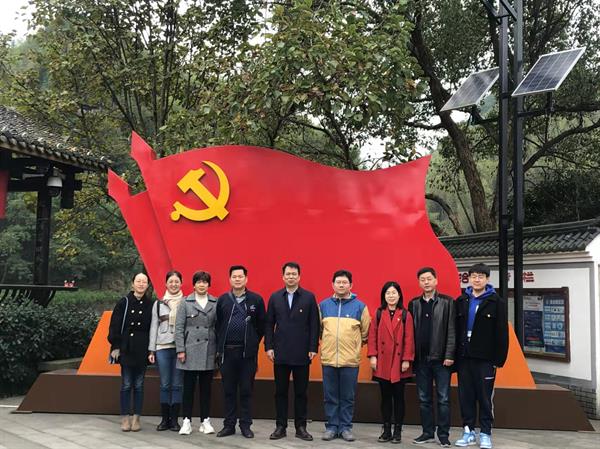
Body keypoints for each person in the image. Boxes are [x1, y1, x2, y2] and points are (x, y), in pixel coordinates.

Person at [454, 263, 508, 449]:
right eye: (474, 276)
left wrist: (499, 359)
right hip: (464, 357)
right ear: (468, 278)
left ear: (487, 279)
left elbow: (502, 332)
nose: (477, 280)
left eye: (481, 276)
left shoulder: (496, 302)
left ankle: (485, 433)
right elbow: (456, 330)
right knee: (466, 396)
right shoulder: (461, 300)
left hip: (485, 358)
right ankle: (468, 431)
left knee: (485, 397)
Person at [265, 262, 320, 441]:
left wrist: (313, 347)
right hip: (280, 352)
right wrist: (269, 346)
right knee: (280, 392)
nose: (291, 277)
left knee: (301, 392)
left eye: (294, 274)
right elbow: (269, 324)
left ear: (299, 276)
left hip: (302, 353)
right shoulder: (275, 297)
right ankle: (280, 426)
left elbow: (314, 324)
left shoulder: (309, 297)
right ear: (283, 277)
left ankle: (301, 427)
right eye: (288, 274)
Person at [319, 269, 370, 442]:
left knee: (348, 397)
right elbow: (320, 330)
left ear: (351, 285)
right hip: (328, 359)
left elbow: (365, 332)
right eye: (338, 282)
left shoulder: (360, 307)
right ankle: (331, 427)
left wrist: (354, 347)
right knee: (330, 396)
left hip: (350, 361)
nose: (341, 285)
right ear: (332, 284)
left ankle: (346, 427)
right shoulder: (324, 305)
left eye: (344, 282)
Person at [215, 265, 266, 438]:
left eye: (240, 276)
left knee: (246, 390)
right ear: (230, 279)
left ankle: (245, 425)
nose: (237, 279)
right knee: (228, 390)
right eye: (234, 277)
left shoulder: (256, 300)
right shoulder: (223, 300)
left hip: (247, 354)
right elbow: (218, 325)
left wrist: (252, 341)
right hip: (227, 352)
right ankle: (229, 425)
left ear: (246, 279)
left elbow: (261, 325)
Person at [408, 267, 456, 448]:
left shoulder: (447, 302)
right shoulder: (414, 304)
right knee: (424, 399)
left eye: (429, 279)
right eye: (422, 279)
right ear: (419, 283)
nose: (426, 282)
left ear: (436, 281)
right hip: (421, 360)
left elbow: (452, 330)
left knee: (443, 399)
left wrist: (449, 354)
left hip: (442, 360)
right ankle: (427, 432)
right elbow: (410, 332)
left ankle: (443, 435)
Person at [367, 281, 414, 444]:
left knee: (399, 398)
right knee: (385, 398)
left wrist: (406, 359)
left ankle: (398, 431)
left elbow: (409, 339)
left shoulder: (406, 314)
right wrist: (372, 356)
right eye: (388, 293)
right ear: (384, 296)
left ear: (399, 295)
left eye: (394, 293)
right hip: (383, 362)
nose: (391, 296)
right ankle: (386, 429)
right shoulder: (379, 313)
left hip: (400, 363)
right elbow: (372, 336)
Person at [108, 272, 153, 432]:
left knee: (139, 385)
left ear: (148, 285)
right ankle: (125, 418)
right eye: (138, 281)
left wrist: (152, 350)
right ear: (133, 284)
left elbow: (153, 328)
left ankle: (136, 418)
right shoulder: (124, 302)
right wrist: (116, 346)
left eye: (144, 282)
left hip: (143, 348)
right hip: (126, 348)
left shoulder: (151, 304)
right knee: (126, 384)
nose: (141, 284)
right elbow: (115, 325)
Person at [176, 271, 218, 435]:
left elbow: (218, 327)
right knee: (188, 388)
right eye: (199, 282)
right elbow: (179, 327)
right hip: (190, 350)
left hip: (209, 349)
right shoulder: (185, 302)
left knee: (206, 388)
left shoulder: (215, 302)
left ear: (209, 285)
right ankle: (186, 421)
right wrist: (180, 349)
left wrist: (218, 351)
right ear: (193, 285)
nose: (202, 285)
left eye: (205, 282)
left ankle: (205, 420)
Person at [148, 271, 184, 431]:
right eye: (171, 281)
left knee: (177, 384)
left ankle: (174, 420)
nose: (174, 284)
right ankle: (164, 419)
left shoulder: (186, 302)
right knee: (164, 384)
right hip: (162, 347)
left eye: (176, 281)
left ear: (181, 283)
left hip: (179, 348)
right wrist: (151, 350)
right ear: (166, 284)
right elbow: (153, 327)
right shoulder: (158, 304)